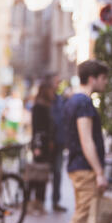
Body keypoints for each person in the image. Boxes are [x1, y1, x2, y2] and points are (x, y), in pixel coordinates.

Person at [43, 60, 109, 223]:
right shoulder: (83, 103)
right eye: (104, 78)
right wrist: (99, 171)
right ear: (92, 78)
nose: (105, 83)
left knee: (81, 221)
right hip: (84, 167)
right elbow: (86, 139)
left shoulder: (73, 101)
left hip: (77, 165)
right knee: (82, 218)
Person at [28, 81, 55, 216]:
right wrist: (37, 146)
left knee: (42, 174)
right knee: (37, 174)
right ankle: (34, 202)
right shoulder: (39, 107)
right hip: (40, 144)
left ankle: (39, 202)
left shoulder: (45, 106)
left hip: (45, 145)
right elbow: (37, 128)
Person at [45, 72, 68, 212]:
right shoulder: (46, 100)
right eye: (56, 82)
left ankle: (55, 201)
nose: (58, 85)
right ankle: (38, 200)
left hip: (59, 142)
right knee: (43, 172)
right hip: (48, 143)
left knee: (57, 172)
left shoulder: (60, 99)